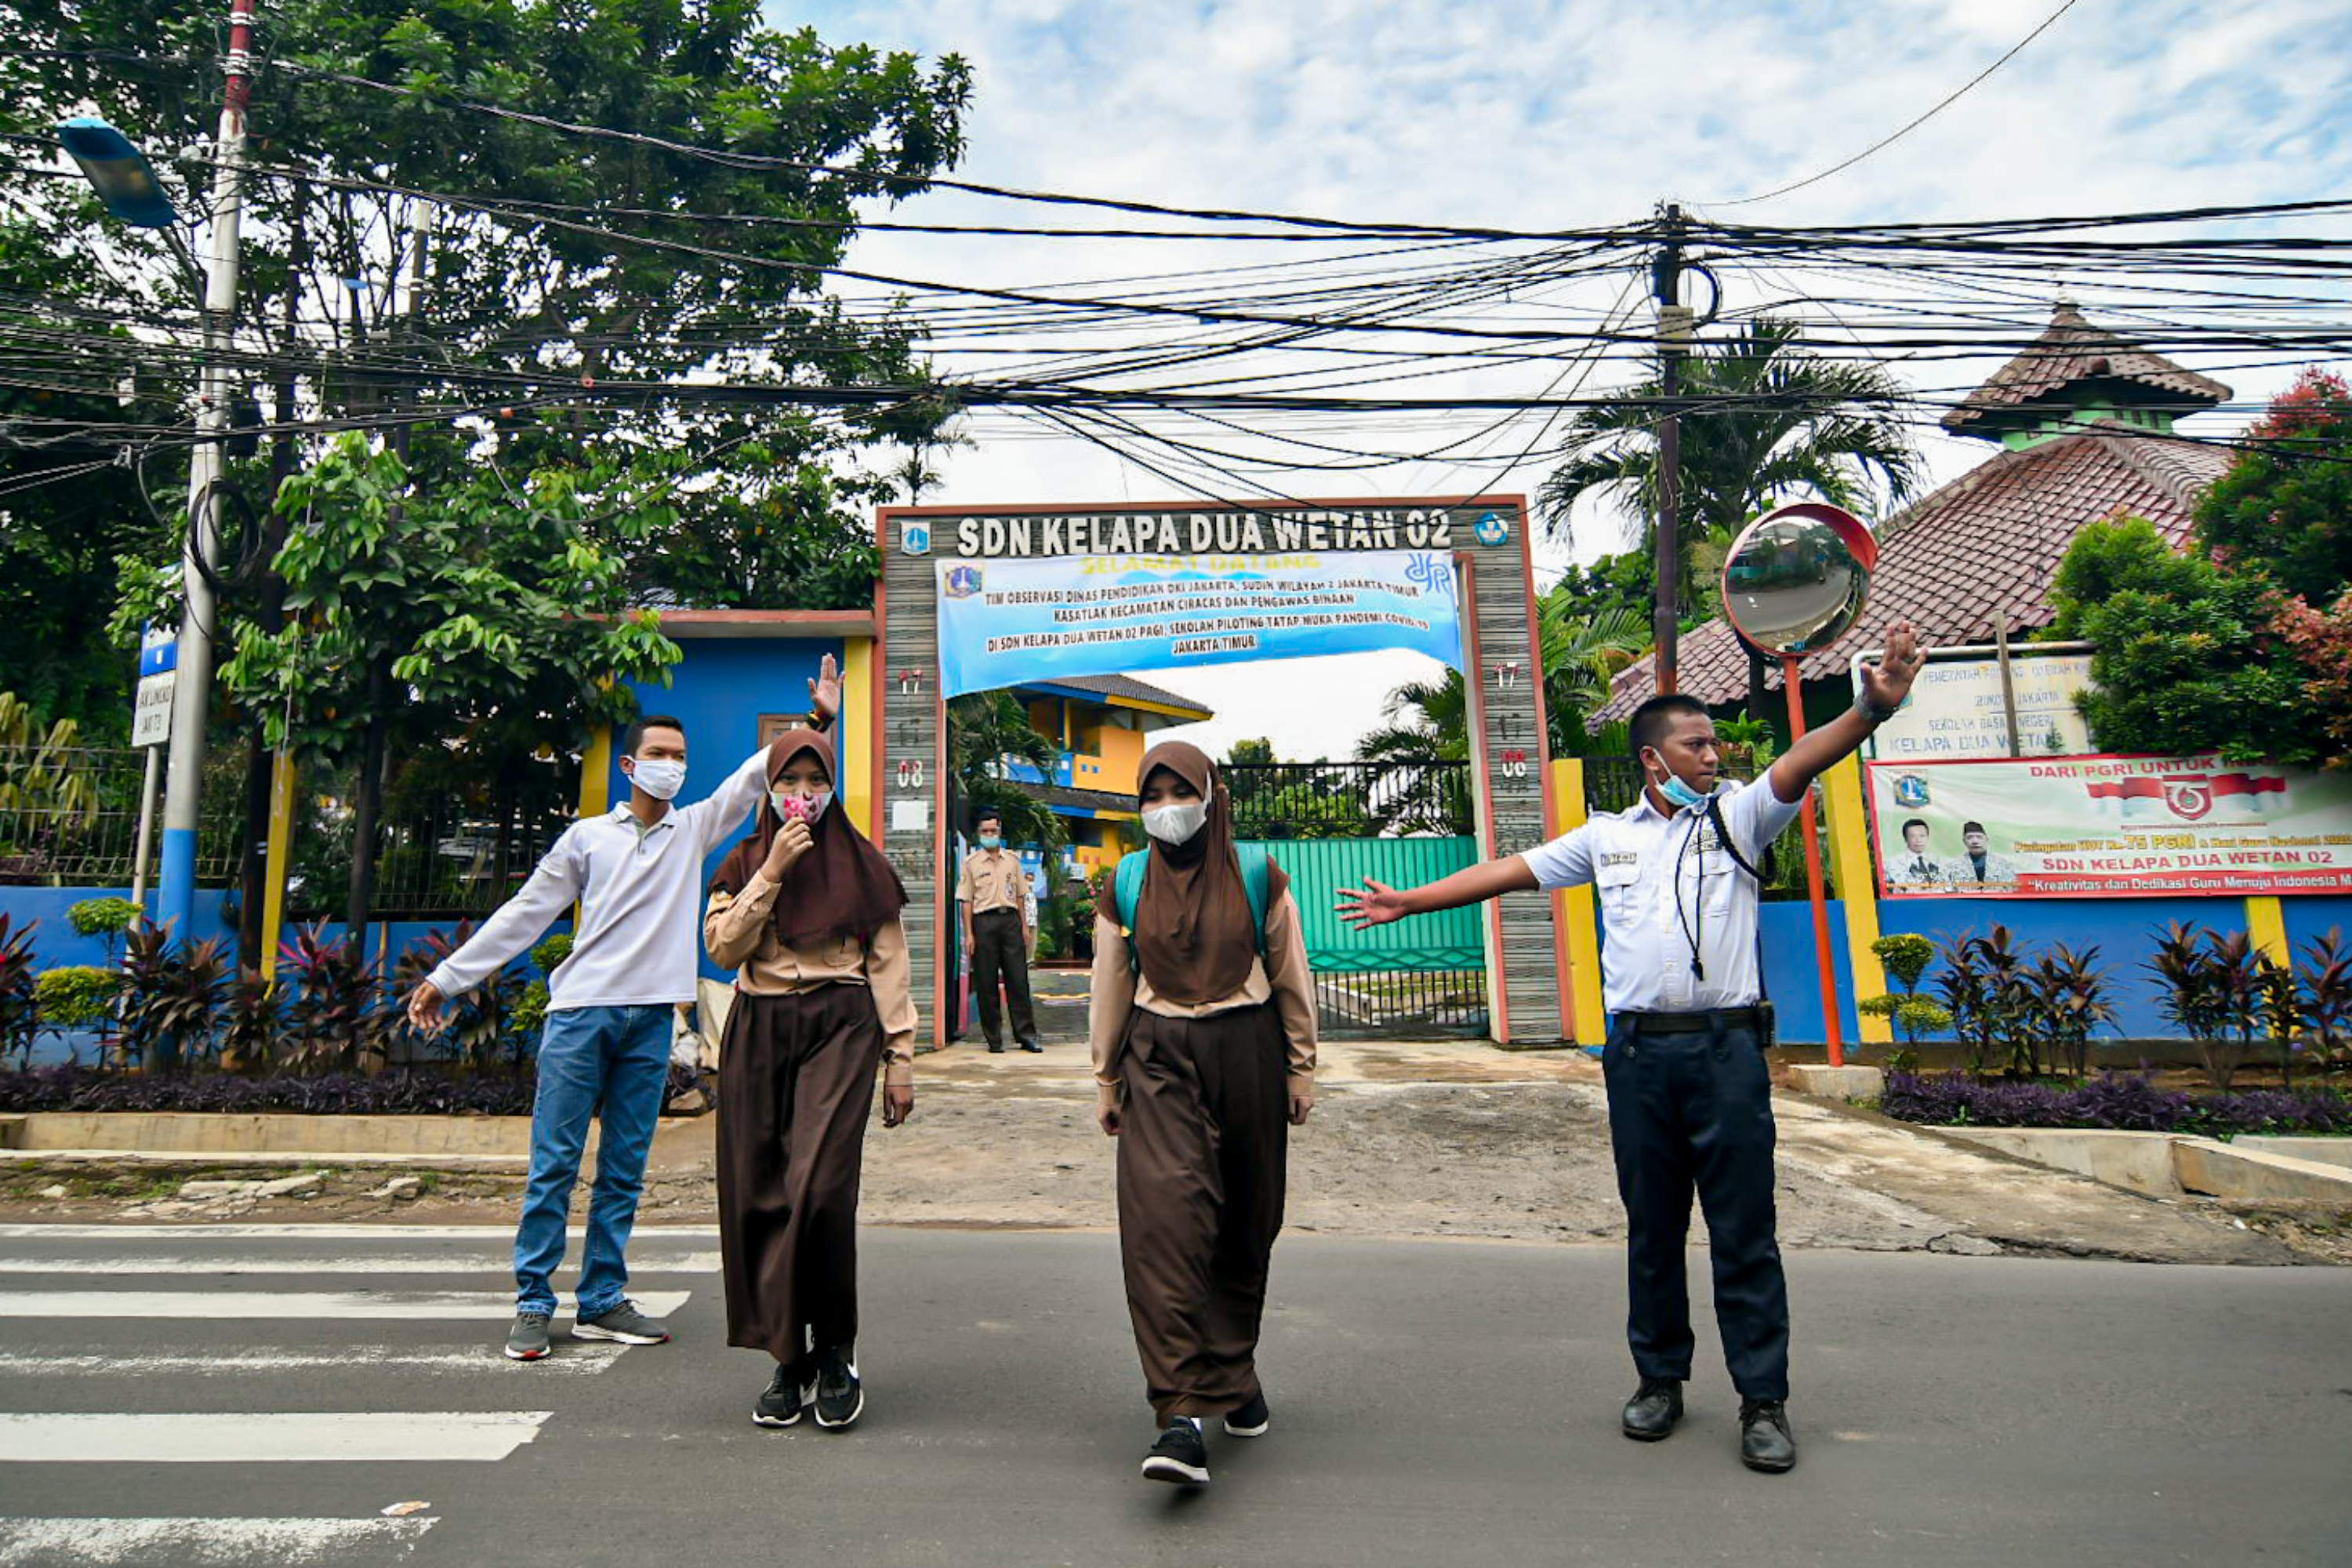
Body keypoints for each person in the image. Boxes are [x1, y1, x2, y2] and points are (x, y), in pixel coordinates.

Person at [1338, 622, 1929, 1475]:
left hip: (1727, 1054)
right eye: (1696, 742)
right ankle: (1660, 1378)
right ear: (1654, 759)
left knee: (1744, 1231)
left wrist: (1870, 710)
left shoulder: (1740, 814)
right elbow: (1509, 870)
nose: (1712, 752)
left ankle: (1763, 1398)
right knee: (1653, 1228)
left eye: (1716, 740)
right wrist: (1411, 900)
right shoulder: (1605, 837)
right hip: (1639, 1059)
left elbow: (1802, 759)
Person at [404, 659, 840, 1363]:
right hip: (580, 1016)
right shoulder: (587, 839)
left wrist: (817, 721)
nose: (671, 767)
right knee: (554, 1164)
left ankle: (602, 1299)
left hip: (649, 1021)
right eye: (659, 756)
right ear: (631, 766)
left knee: (624, 1169)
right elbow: (525, 915)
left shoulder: (692, 831)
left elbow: (756, 776)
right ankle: (534, 1301)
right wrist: (449, 979)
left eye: (680, 758)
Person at [1090, 741, 1317, 1487]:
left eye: (1178, 792)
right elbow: (1110, 984)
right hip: (1157, 1057)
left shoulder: (1255, 873)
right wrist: (1104, 1078)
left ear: (1211, 795)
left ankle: (1235, 1374)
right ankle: (1181, 1414)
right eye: (1151, 796)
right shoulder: (1125, 881)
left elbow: (1289, 971)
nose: (1166, 810)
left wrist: (1300, 1067)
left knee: (1245, 1225)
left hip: (1246, 1050)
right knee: (1165, 1224)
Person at [704, 728, 913, 1431]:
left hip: (841, 1024)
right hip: (759, 1027)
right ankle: (788, 1358)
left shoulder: (864, 867)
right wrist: (771, 874)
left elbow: (887, 965)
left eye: (814, 784)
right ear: (769, 792)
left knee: (818, 1188)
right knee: (760, 1194)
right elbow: (723, 947)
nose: (801, 797)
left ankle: (837, 1351)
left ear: (831, 791)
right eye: (788, 785)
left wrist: (902, 1059)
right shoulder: (741, 861)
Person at [957, 809, 1041, 1053]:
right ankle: (994, 1039)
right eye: (985, 831)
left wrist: (1024, 926)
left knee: (1018, 980)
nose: (990, 835)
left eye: (993, 830)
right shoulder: (971, 864)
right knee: (986, 982)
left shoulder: (1012, 860)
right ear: (978, 834)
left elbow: (1021, 895)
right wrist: (969, 935)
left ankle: (1026, 1036)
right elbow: (966, 901)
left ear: (1000, 831)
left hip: (1010, 922)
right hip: (984, 923)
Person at [1944, 820, 2020, 889]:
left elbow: (2012, 889)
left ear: (1986, 839)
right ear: (1964, 841)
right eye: (1970, 838)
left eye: (1979, 837)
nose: (1975, 841)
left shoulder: (2003, 865)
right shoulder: (1953, 867)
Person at [1892, 818, 1948, 889]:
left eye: (1922, 836)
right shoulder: (1895, 863)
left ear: (1927, 837)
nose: (1918, 840)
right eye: (1913, 836)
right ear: (1905, 838)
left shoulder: (1939, 861)